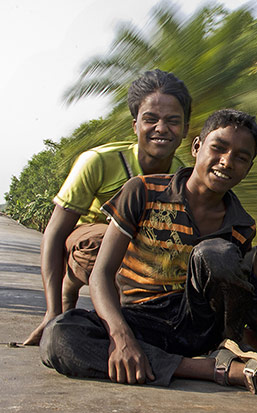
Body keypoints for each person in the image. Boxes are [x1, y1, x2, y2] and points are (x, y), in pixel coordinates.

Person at [40, 109, 257, 395]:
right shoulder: (143, 192)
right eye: (219, 148)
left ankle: (219, 352)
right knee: (59, 336)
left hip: (198, 325)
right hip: (140, 319)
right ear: (197, 146)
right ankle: (210, 369)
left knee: (217, 254)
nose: (226, 162)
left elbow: (235, 289)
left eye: (241, 157)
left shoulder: (241, 224)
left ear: (248, 167)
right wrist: (121, 337)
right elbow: (101, 274)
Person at [25, 69, 192, 346]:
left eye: (172, 121)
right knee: (105, 243)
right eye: (150, 119)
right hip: (91, 242)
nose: (161, 128)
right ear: (135, 125)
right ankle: (76, 283)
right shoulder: (98, 162)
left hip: (142, 248)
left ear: (185, 129)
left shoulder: (182, 179)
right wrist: (52, 311)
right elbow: (54, 234)